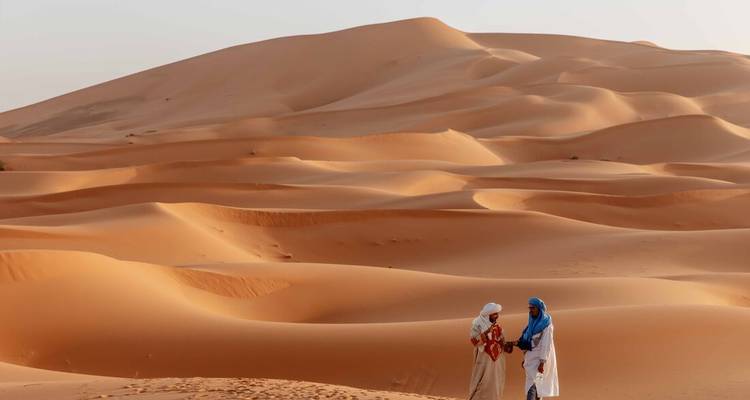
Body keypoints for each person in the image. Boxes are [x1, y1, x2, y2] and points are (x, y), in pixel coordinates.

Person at [515, 297, 559, 400]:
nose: (530, 310)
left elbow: (546, 345)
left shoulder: (547, 325)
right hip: (530, 362)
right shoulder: (531, 324)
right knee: (535, 387)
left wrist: (542, 363)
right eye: (529, 308)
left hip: (540, 363)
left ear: (539, 309)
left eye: (533, 308)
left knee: (535, 387)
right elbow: (528, 343)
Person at [468, 302, 508, 400]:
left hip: (496, 361)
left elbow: (501, 339)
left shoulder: (497, 326)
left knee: (495, 382)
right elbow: (474, 341)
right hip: (483, 359)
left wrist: (506, 344)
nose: (497, 316)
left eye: (497, 314)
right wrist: (486, 332)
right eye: (495, 314)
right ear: (488, 315)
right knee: (481, 381)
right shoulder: (477, 323)